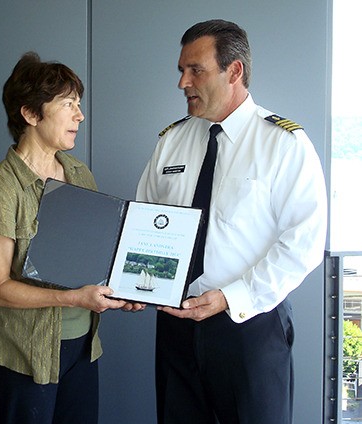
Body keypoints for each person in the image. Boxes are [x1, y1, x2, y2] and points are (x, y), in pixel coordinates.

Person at [136, 20, 327, 424]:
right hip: (177, 327)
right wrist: (138, 282)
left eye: (195, 70)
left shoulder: (284, 144)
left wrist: (231, 298)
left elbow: (303, 244)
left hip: (248, 326)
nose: (182, 82)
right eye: (181, 70)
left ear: (234, 71)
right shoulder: (172, 140)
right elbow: (145, 221)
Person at [0, 52, 135, 424]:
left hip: (82, 348)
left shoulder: (79, 173)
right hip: (27, 355)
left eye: (79, 104)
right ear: (30, 114)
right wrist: (73, 297)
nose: (80, 115)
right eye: (68, 104)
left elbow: (97, 255)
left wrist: (126, 290)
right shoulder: (1, 189)